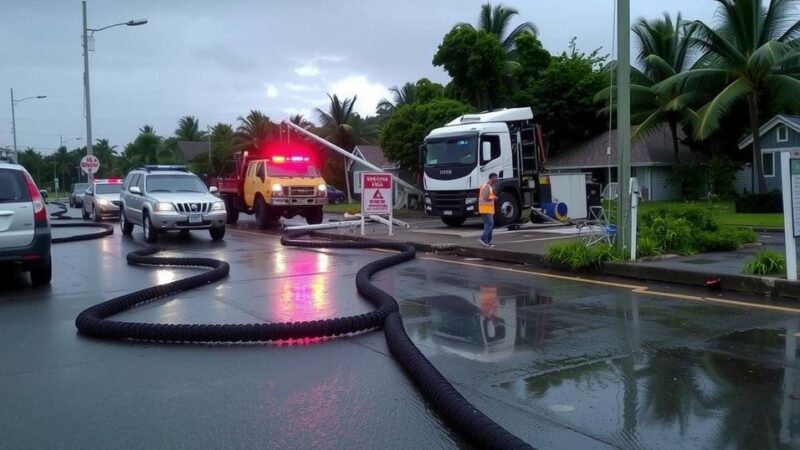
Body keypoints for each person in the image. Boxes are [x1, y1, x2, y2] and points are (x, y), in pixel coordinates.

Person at [478, 173, 498, 247]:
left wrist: (493, 196)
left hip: (487, 210)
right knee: (490, 224)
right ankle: (483, 239)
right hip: (485, 210)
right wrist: (494, 198)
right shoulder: (486, 186)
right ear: (492, 178)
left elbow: (487, 196)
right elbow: (485, 197)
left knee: (489, 224)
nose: (497, 179)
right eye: (496, 178)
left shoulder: (488, 186)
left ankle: (489, 241)